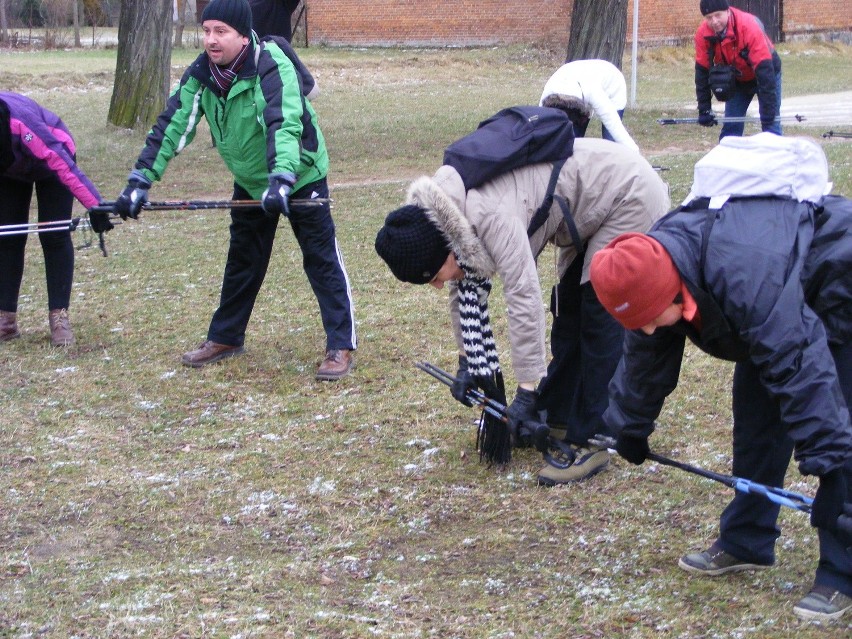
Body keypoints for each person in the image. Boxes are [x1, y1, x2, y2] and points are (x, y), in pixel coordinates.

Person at [588, 147, 852, 620]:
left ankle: (841, 571)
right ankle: (746, 541)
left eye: (651, 318)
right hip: (773, 307)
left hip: (837, 288)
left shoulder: (745, 276)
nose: (649, 329)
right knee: (755, 424)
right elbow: (647, 353)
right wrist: (629, 425)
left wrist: (830, 463)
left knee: (838, 427)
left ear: (672, 289)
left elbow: (801, 369)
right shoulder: (655, 261)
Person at [374, 137, 669, 485]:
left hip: (625, 193)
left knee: (599, 314)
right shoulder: (442, 221)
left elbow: (523, 297)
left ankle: (595, 435)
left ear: (447, 254)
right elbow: (461, 287)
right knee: (569, 311)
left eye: (434, 277)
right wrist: (467, 361)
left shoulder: (489, 216)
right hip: (585, 206)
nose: (439, 286)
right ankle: (558, 412)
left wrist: (526, 393)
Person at [113, 0, 356, 380]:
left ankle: (340, 344)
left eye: (221, 31)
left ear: (243, 35)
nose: (211, 39)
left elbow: (284, 122)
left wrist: (282, 180)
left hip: (299, 175)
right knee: (243, 259)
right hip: (250, 180)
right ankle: (226, 337)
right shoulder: (202, 74)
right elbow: (172, 125)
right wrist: (139, 181)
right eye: (207, 30)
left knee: (321, 261)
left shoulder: (269, 63)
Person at [0, 92, 109, 347]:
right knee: (8, 236)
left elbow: (60, 162)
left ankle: (58, 318)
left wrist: (95, 205)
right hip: (11, 169)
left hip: (54, 158)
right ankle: (6, 321)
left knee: (53, 234)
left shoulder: (20, 122)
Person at [694, 0, 782, 139]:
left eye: (718, 15)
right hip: (738, 79)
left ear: (728, 11)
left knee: (771, 125)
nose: (714, 21)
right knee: (731, 126)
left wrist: (768, 110)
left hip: (767, 72)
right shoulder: (703, 34)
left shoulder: (748, 25)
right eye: (709, 17)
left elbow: (764, 69)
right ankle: (726, 159)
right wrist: (704, 109)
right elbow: (702, 73)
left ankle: (776, 156)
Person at [539, 59, 639, 152]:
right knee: (570, 145)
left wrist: (636, 155)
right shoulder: (548, 93)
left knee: (612, 145)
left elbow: (616, 128)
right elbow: (540, 129)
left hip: (613, 86)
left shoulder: (592, 91)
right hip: (574, 76)